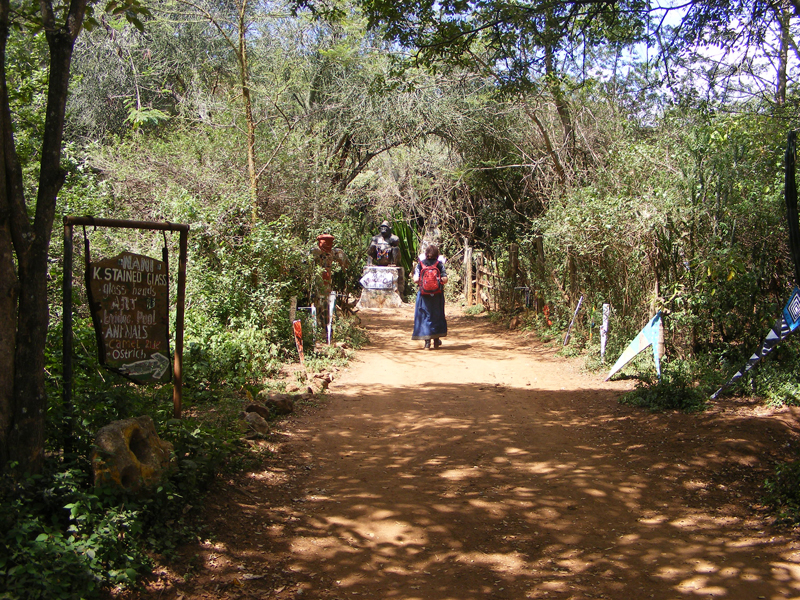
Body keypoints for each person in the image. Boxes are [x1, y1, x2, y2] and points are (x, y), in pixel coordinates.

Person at [412, 244, 448, 349]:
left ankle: (427, 343)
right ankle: (436, 341)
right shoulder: (439, 265)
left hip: (423, 295)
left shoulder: (420, 264)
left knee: (424, 316)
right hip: (437, 295)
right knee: (437, 315)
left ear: (426, 254)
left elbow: (415, 280)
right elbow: (445, 279)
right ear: (437, 254)